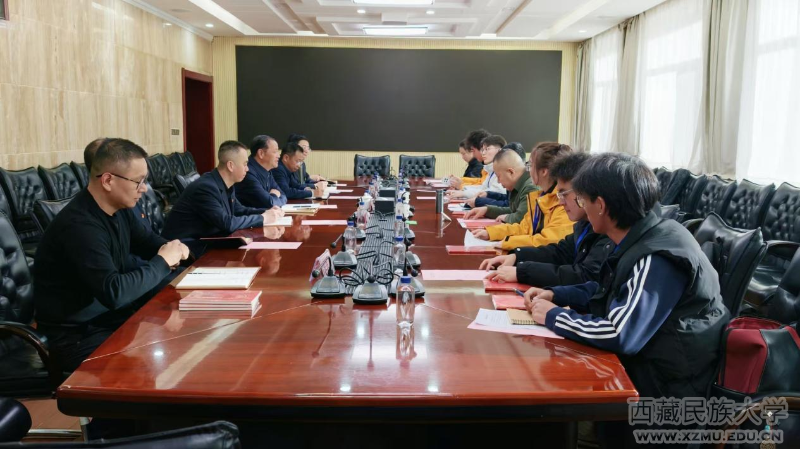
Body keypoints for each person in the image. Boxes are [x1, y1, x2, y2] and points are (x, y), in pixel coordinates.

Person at [524, 153, 730, 447]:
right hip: (646, 372)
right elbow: (608, 290)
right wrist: (557, 294)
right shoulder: (638, 236)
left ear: (601, 205)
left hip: (663, 397)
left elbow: (620, 334)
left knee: (552, 412)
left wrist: (553, 316)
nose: (580, 206)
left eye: (581, 199)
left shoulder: (657, 256)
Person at [34, 138, 190, 371]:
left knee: (180, 335)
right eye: (138, 181)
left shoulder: (119, 209)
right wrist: (163, 261)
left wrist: (176, 248)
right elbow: (114, 292)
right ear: (108, 180)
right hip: (77, 337)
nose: (144, 188)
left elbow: (147, 242)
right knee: (159, 364)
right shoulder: (79, 226)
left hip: (110, 319)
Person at [480, 151, 612, 286]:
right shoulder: (583, 224)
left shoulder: (607, 232)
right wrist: (517, 256)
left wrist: (522, 272)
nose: (561, 201)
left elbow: (585, 276)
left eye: (564, 194)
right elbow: (560, 252)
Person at [162, 140, 284, 255]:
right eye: (245, 164)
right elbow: (227, 223)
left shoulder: (225, 184)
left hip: (208, 240)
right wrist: (263, 218)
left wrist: (267, 212)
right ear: (231, 166)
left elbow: (239, 210)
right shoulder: (206, 188)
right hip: (185, 249)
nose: (247, 169)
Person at [471, 142, 575, 250]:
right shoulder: (542, 196)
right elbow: (524, 228)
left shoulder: (563, 202)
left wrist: (507, 243)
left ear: (544, 171)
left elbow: (547, 241)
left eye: (530, 166)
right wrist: (491, 233)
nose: (528, 171)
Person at [463, 148, 536, 225]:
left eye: (499, 176)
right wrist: (487, 210)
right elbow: (514, 211)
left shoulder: (530, 187)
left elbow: (522, 218)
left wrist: (506, 218)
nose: (498, 181)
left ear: (510, 172)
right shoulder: (520, 184)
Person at [448, 135, 507, 203]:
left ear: (500, 151)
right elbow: (482, 188)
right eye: (483, 150)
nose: (483, 153)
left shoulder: (502, 171)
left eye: (487, 149)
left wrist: (463, 192)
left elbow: (493, 192)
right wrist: (463, 190)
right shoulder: (490, 170)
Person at [236, 135, 287, 209]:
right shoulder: (248, 172)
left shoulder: (267, 170)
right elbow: (268, 203)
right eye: (275, 152)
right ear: (261, 153)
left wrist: (273, 198)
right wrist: (275, 195)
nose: (278, 156)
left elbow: (283, 195)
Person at [474, 142, 526, 208]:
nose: (483, 153)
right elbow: (508, 199)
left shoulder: (527, 187)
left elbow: (509, 206)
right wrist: (488, 194)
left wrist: (478, 202)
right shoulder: (514, 179)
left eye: (487, 149)